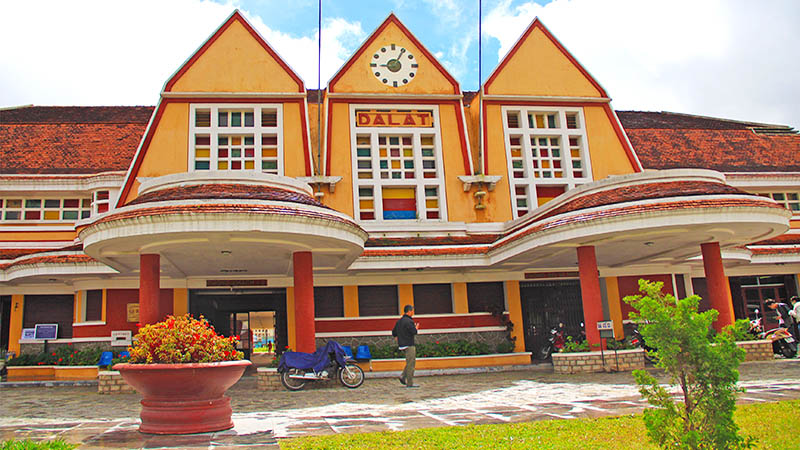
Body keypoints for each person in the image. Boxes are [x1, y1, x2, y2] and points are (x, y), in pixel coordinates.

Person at [392, 304, 420, 388]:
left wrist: (397, 337)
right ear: (409, 311)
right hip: (409, 344)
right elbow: (414, 332)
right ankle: (410, 383)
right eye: (412, 311)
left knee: (409, 362)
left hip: (402, 344)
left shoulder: (399, 321)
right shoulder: (409, 321)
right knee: (411, 364)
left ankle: (403, 376)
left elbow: (394, 332)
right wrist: (416, 328)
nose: (413, 313)